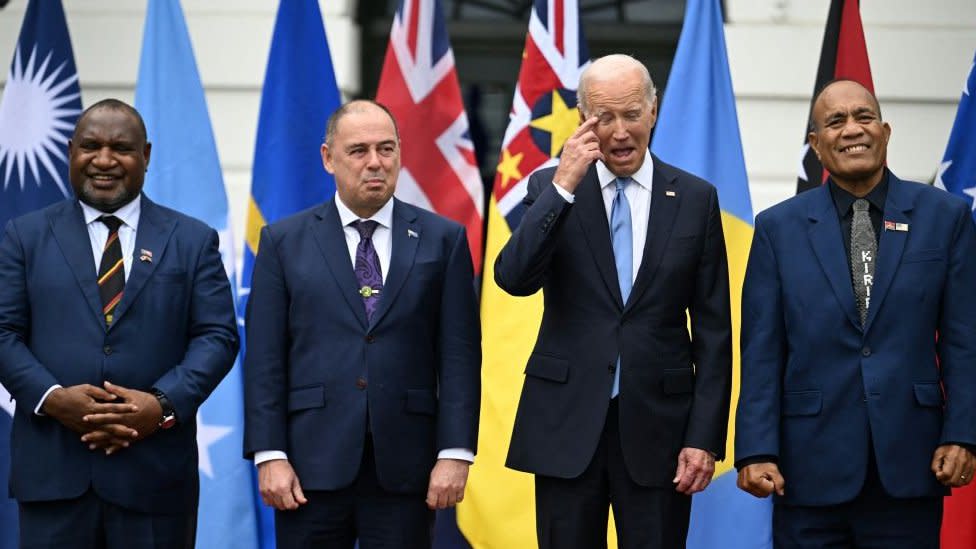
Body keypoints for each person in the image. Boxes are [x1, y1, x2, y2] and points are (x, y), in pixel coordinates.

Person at [494, 54, 732, 549]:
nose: (619, 132)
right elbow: (513, 279)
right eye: (603, 117)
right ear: (583, 119)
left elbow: (714, 332)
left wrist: (704, 437)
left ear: (653, 111)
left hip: (660, 431)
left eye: (630, 114)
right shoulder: (551, 187)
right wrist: (564, 184)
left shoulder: (693, 198)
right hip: (566, 424)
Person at [735, 79, 976, 548]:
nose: (852, 129)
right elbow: (762, 351)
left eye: (864, 117)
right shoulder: (778, 228)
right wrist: (757, 449)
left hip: (912, 464)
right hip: (807, 471)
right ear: (816, 145)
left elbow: (965, 341)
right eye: (835, 121)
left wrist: (964, 434)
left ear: (885, 131)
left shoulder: (945, 217)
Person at [0, 98, 238, 548]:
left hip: (154, 477)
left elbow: (217, 336)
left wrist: (160, 404)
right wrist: (52, 399)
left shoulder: (191, 240)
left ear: (145, 155)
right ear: (70, 151)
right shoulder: (24, 236)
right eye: (90, 146)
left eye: (121, 148)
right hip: (55, 475)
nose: (104, 160)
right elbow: (3, 332)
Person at [243, 99, 481, 549]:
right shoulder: (282, 241)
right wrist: (269, 454)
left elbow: (459, 357)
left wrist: (455, 453)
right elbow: (265, 359)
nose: (375, 162)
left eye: (386, 149)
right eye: (358, 151)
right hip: (308, 468)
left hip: (405, 469)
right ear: (328, 158)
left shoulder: (442, 239)